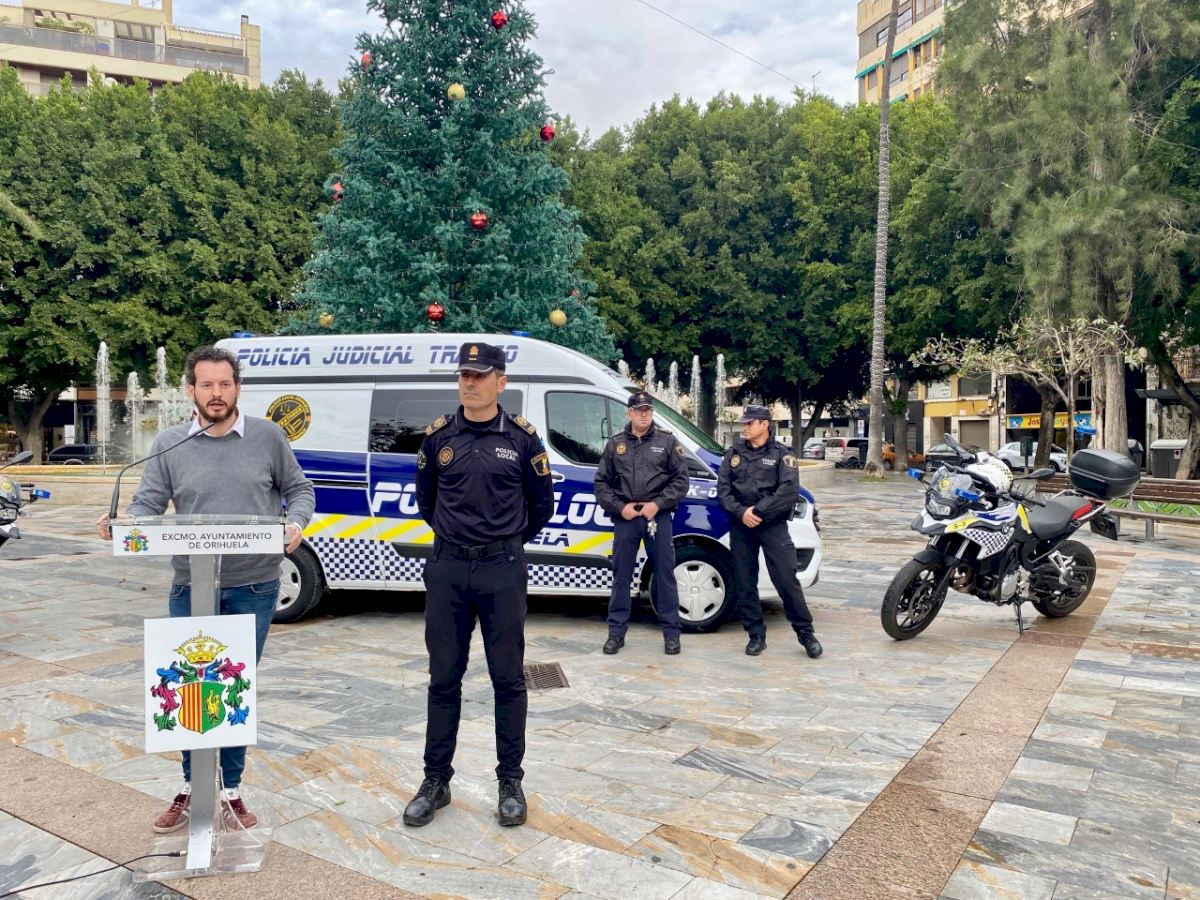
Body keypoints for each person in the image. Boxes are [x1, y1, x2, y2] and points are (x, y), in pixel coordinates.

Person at [96, 346, 315, 833]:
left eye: (225, 384)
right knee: (189, 688)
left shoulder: (268, 437)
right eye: (207, 385)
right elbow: (148, 503)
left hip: (254, 586)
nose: (217, 394)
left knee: (234, 687)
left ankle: (231, 790)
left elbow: (299, 489)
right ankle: (193, 785)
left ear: (238, 388)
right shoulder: (170, 444)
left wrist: (296, 522)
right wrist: (125, 522)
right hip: (190, 586)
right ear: (190, 390)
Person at [403, 341, 554, 829]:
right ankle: (435, 781)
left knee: (508, 679)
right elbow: (427, 501)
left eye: (480, 375)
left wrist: (504, 542)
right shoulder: (438, 437)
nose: (470, 382)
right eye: (464, 375)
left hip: (501, 570)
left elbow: (542, 506)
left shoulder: (523, 439)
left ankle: (510, 782)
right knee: (443, 678)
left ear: (501, 382)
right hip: (448, 568)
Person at [717, 405, 822, 659]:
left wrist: (758, 511)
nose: (745, 427)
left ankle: (806, 633)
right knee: (745, 581)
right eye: (744, 423)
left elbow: (788, 491)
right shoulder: (734, 453)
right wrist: (742, 512)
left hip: (772, 525)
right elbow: (723, 489)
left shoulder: (782, 455)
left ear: (764, 424)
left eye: (750, 423)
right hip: (742, 525)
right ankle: (755, 635)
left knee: (786, 579)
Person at [594, 391, 689, 655]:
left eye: (648, 410)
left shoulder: (667, 442)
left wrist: (657, 504)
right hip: (626, 517)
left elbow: (681, 481)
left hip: (657, 516)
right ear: (629, 413)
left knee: (665, 575)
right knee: (621, 576)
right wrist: (620, 508)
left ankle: (672, 635)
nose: (644, 414)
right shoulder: (615, 444)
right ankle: (616, 634)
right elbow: (601, 483)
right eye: (639, 410)